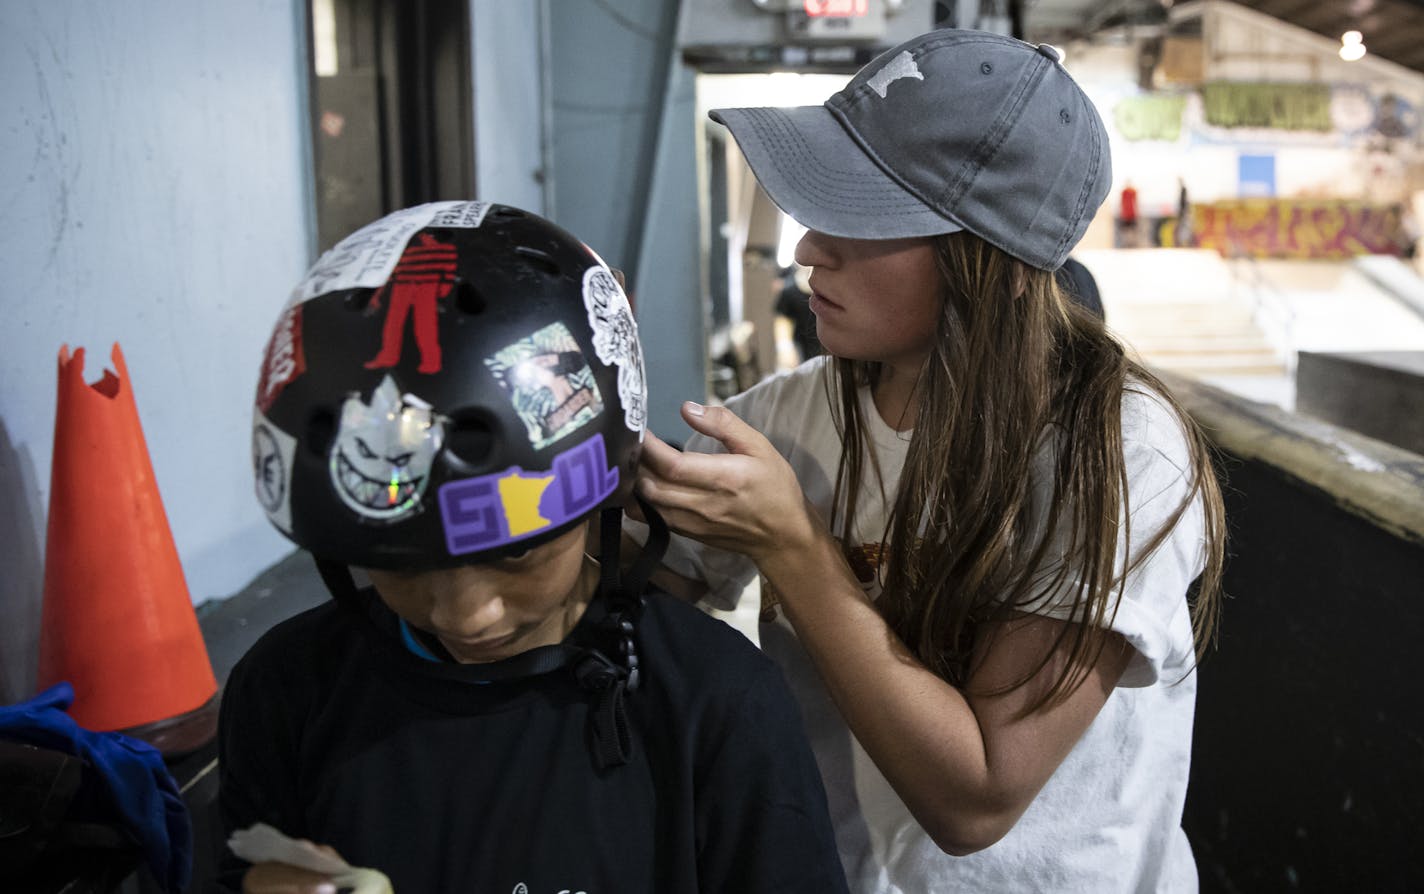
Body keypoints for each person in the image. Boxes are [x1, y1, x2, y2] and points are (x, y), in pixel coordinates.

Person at [628, 29, 1226, 893]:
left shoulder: (1118, 453)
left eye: (862, 217)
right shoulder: (796, 410)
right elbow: (640, 588)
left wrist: (792, 547)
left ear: (995, 262)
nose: (806, 250)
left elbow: (976, 803)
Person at [221, 201, 849, 893]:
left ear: (606, 497)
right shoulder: (285, 693)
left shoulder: (716, 706)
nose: (467, 616)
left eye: (516, 554)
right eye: (405, 564)